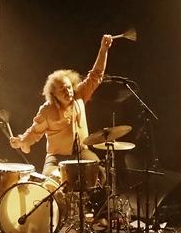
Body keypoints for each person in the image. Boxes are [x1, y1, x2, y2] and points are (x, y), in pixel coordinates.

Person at [10, 35, 114, 177]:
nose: (68, 91)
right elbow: (35, 131)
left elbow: (96, 75)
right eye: (62, 90)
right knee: (50, 177)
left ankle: (94, 200)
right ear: (54, 94)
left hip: (81, 152)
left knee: (101, 173)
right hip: (56, 156)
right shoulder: (47, 110)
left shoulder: (80, 95)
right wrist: (22, 140)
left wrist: (103, 50)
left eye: (69, 87)